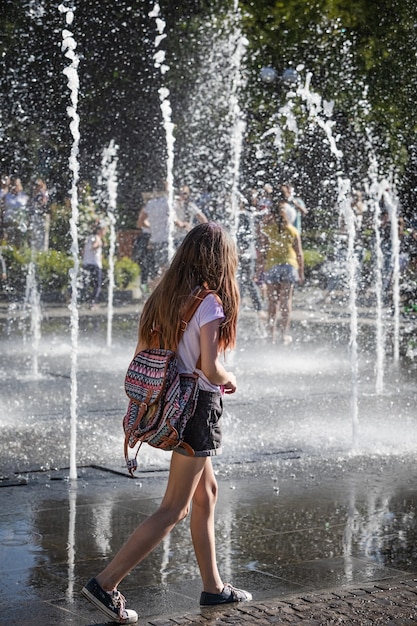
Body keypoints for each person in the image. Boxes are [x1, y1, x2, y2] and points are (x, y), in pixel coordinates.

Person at [81, 222, 252, 624]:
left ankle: (213, 589)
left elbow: (149, 354)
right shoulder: (209, 302)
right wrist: (230, 378)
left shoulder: (165, 298)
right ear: (219, 258)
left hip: (174, 406)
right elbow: (209, 365)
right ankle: (106, 584)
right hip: (197, 408)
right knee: (174, 508)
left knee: (206, 493)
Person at [258, 195, 305, 344]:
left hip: (272, 266)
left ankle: (271, 334)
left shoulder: (267, 230)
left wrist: (259, 270)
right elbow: (299, 253)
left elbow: (263, 252)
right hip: (289, 266)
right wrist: (301, 272)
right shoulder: (292, 230)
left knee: (272, 302)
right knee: (286, 301)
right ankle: (284, 334)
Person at [82, 220, 107, 308]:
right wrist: (99, 244)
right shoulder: (97, 237)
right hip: (95, 265)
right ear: (100, 230)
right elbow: (94, 246)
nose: (105, 232)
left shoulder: (88, 237)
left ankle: (71, 293)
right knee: (97, 286)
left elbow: (83, 251)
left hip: (86, 263)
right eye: (104, 230)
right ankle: (92, 303)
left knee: (85, 283)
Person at [3, 176, 28, 247]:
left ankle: (18, 256)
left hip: (20, 222)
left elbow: (28, 209)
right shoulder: (7, 196)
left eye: (16, 185)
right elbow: (2, 208)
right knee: (8, 241)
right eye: (13, 185)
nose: (15, 187)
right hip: (8, 221)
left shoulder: (24, 196)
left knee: (19, 242)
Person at [28, 178, 50, 251]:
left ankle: (43, 253)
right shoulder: (34, 194)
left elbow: (44, 203)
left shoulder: (45, 194)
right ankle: (34, 251)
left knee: (43, 237)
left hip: (43, 217)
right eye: (36, 186)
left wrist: (42, 193)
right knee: (34, 235)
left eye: (39, 185)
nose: (37, 187)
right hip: (34, 217)